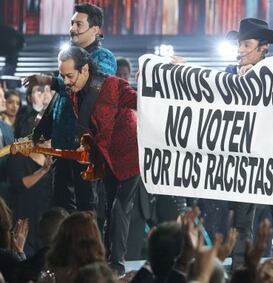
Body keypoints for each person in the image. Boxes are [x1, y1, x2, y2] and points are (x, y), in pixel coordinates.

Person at [200, 18, 273, 269]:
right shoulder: (229, 73)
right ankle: (241, 268)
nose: (240, 50)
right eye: (239, 45)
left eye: (246, 44)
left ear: (263, 47)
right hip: (244, 156)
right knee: (243, 218)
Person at [36, 46, 140, 275]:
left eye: (69, 76)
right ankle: (107, 260)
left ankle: (118, 265)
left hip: (129, 156)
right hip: (106, 160)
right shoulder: (74, 91)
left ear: (84, 70)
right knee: (108, 207)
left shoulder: (114, 85)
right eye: (62, 76)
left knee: (119, 207)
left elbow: (142, 103)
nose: (66, 81)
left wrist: (152, 84)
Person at [24, 3, 117, 213]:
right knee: (60, 208)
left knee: (84, 210)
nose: (72, 28)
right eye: (71, 23)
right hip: (62, 148)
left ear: (95, 29)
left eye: (78, 23)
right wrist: (41, 130)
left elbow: (89, 89)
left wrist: (49, 79)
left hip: (84, 149)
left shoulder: (104, 58)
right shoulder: (69, 58)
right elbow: (62, 95)